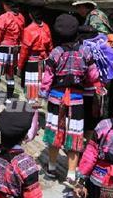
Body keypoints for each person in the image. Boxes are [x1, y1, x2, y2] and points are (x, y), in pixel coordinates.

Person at [40, 14, 102, 183]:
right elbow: (93, 75)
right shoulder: (85, 52)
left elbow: (47, 78)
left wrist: (43, 94)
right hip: (76, 98)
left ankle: (51, 168)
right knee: (74, 135)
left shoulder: (56, 53)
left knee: (55, 132)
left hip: (56, 98)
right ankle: (71, 174)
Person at [0, 0, 24, 105]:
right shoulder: (21, 17)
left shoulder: (3, 18)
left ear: (6, 5)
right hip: (14, 49)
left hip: (3, 49)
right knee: (10, 74)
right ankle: (8, 99)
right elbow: (22, 35)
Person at [18, 8, 53, 106]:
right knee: (40, 92)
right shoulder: (46, 27)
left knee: (31, 94)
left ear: (30, 15)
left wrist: (20, 67)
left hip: (32, 64)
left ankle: (32, 119)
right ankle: (36, 118)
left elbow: (24, 51)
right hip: (44, 61)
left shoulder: (28, 30)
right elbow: (50, 47)